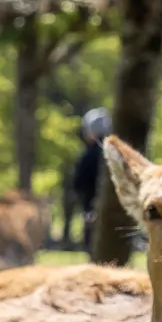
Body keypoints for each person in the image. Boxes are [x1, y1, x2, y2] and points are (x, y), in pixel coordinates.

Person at [72, 108, 110, 253]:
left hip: (91, 207)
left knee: (93, 248)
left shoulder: (89, 155)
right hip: (110, 211)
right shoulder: (112, 154)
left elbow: (79, 183)